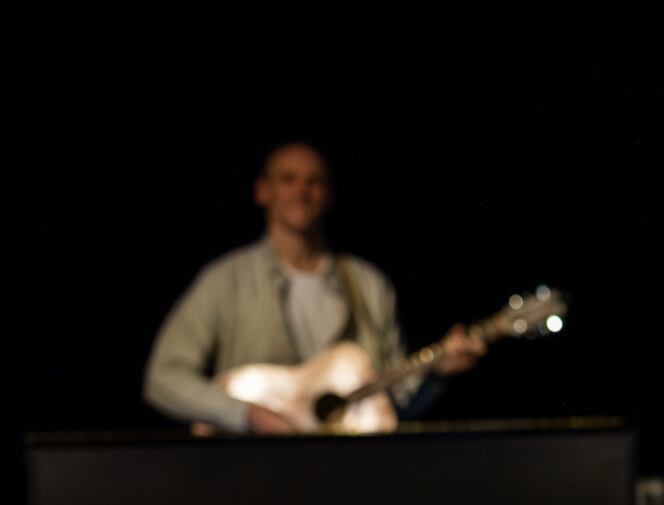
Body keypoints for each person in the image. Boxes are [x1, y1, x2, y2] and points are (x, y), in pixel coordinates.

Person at [143, 142, 483, 433]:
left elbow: (392, 404)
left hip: (349, 471)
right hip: (253, 471)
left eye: (314, 181)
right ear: (263, 191)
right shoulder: (224, 280)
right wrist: (246, 414)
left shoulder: (368, 284)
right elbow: (163, 378)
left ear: (330, 195)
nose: (301, 192)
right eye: (288, 179)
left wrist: (437, 375)